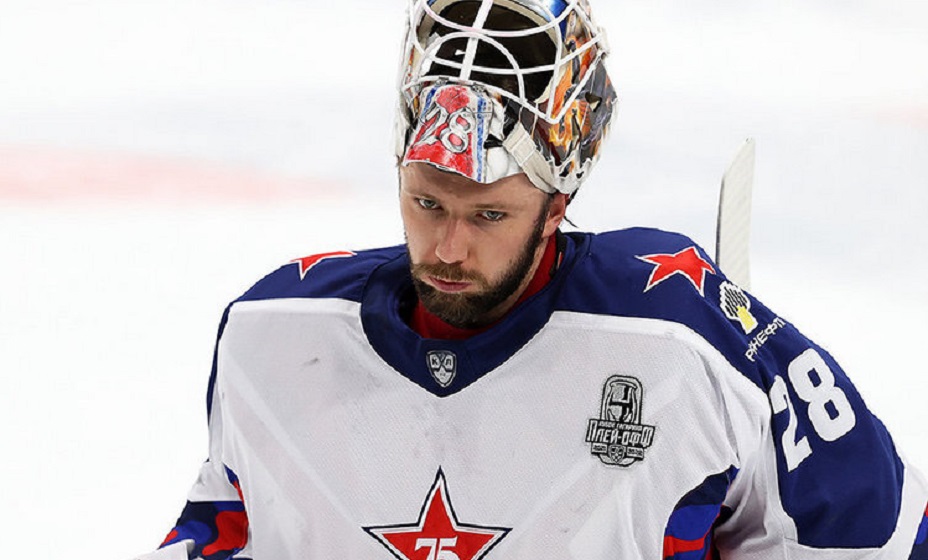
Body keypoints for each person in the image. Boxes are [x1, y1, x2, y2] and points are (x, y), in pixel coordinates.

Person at [134, 0, 928, 558]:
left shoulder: (682, 337)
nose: (447, 248)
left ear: (558, 203)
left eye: (489, 215)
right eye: (426, 203)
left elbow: (879, 534)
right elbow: (225, 531)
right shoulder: (272, 334)